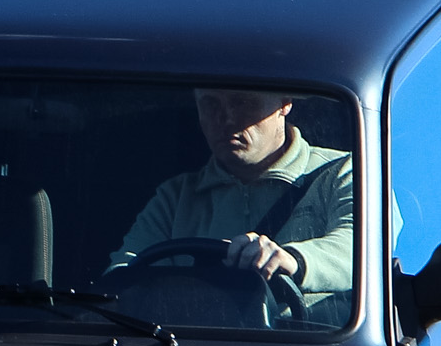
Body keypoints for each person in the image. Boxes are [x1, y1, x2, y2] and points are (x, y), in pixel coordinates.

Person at [104, 88, 355, 326]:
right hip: (192, 345)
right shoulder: (176, 196)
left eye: (243, 102)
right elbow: (124, 273)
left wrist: (294, 260)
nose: (227, 119)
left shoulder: (342, 172)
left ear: (284, 103)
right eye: (210, 104)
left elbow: (361, 247)